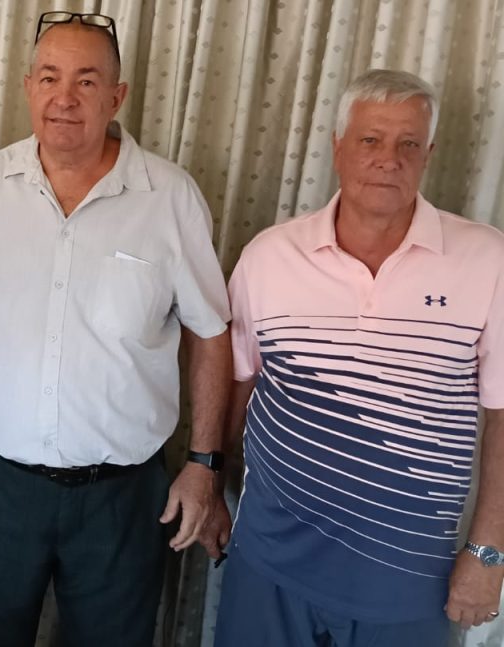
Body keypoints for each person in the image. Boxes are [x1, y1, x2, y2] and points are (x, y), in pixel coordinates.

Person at [0, 12, 232, 647]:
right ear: (28, 87)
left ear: (117, 96)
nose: (65, 98)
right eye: (49, 77)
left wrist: (204, 465)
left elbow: (210, 333)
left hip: (123, 497)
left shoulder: (171, 196)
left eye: (86, 80)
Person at [214, 69, 504, 647]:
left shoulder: (487, 260)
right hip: (269, 562)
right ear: (338, 147)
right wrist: (212, 486)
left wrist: (488, 552)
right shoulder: (270, 256)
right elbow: (235, 387)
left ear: (429, 156)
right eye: (370, 139)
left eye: (408, 144)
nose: (388, 159)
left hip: (408, 577)